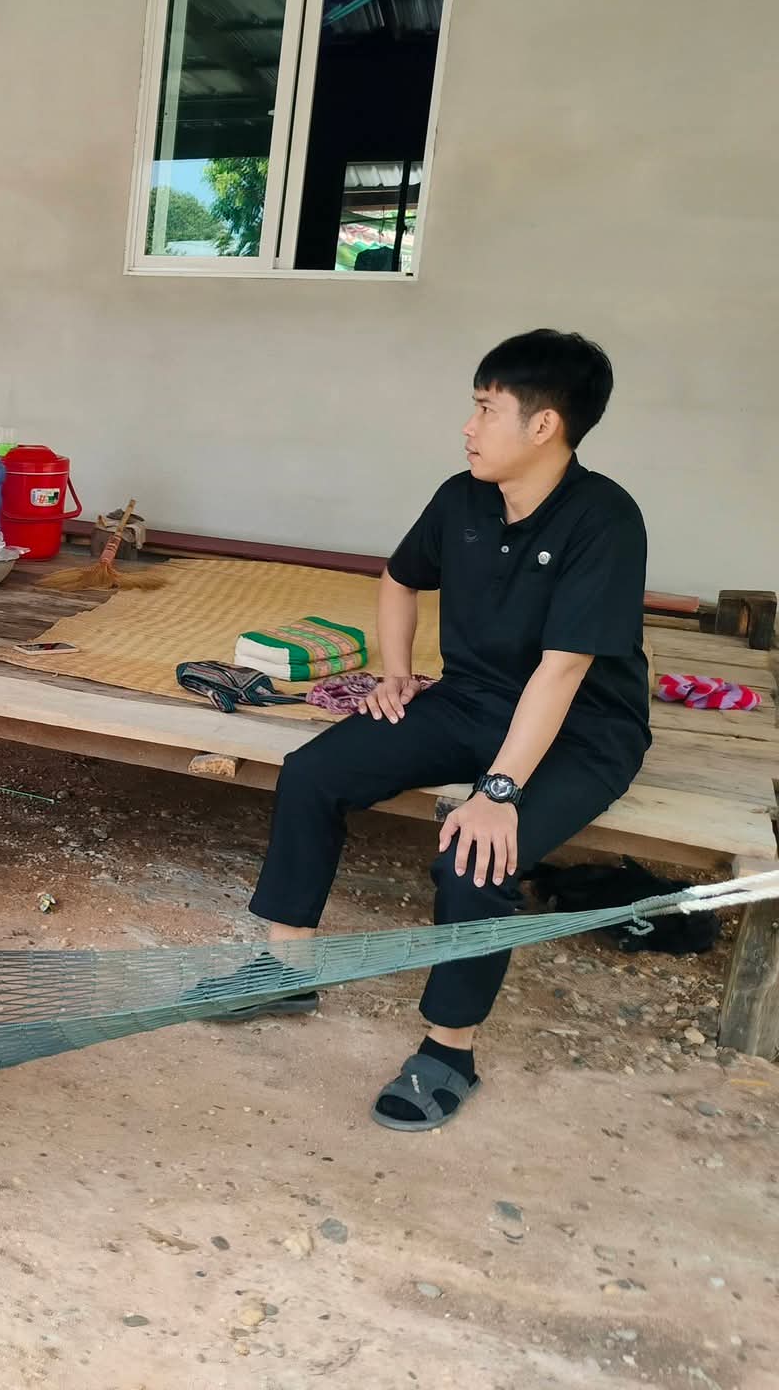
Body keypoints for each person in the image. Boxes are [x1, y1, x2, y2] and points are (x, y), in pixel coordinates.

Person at [233, 330, 647, 1131]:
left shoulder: (605, 519)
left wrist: (497, 793)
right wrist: (394, 672)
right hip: (472, 701)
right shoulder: (462, 497)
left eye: (486, 409)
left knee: (475, 852)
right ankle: (284, 969)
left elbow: (561, 674)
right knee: (315, 774)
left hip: (583, 729)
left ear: (543, 426)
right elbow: (398, 577)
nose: (468, 426)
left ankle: (448, 1049)